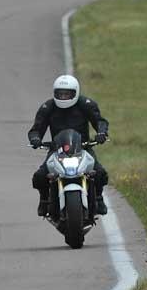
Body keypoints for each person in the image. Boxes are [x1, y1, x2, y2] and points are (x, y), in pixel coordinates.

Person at [28, 75, 110, 217]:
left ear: (75, 92)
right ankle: (44, 200)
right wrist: (35, 138)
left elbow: (100, 121)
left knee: (100, 173)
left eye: (67, 94)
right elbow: (36, 128)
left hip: (83, 147)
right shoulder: (48, 107)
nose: (64, 97)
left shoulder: (86, 104)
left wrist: (101, 133)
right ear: (55, 93)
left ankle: (98, 198)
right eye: (60, 94)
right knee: (40, 176)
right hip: (57, 150)